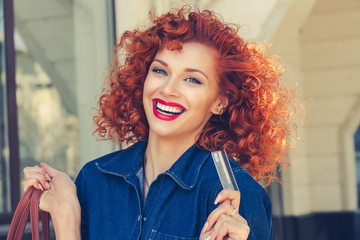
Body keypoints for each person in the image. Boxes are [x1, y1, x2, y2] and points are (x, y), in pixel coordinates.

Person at [22, 5, 296, 240]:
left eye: (192, 79)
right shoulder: (94, 179)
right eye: (160, 70)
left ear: (220, 101)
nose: (167, 89)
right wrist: (66, 218)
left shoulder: (233, 195)